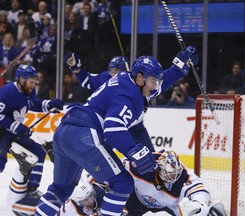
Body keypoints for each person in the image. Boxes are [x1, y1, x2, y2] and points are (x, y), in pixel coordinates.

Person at [35, 46, 199, 216]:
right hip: (84, 135)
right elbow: (113, 128)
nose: (156, 86)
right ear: (140, 77)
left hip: (64, 131)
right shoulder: (128, 96)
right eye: (152, 81)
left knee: (61, 188)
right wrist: (133, 150)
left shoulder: (127, 79)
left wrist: (179, 68)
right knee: (122, 183)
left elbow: (160, 83)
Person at [0, 64, 64, 210]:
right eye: (31, 82)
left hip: (14, 134)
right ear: (21, 79)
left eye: (35, 82)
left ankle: (32, 190)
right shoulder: (6, 92)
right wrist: (18, 127)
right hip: (2, 133)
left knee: (39, 153)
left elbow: (33, 104)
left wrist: (49, 105)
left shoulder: (29, 91)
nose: (34, 85)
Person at [123, 150, 227, 216]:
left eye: (175, 173)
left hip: (171, 205)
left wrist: (198, 204)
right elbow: (118, 170)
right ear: (160, 169)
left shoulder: (185, 176)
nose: (174, 178)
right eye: (170, 174)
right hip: (139, 200)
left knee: (205, 212)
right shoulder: (141, 167)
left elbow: (201, 192)